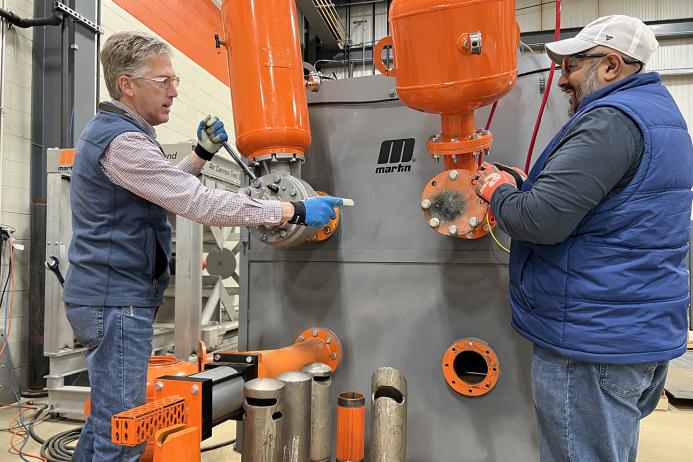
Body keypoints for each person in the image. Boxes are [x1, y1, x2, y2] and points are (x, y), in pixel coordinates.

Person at [63, 31, 342, 461]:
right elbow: (195, 202)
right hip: (115, 302)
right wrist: (291, 212)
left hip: (112, 299)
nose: (175, 90)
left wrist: (201, 153)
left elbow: (167, 187)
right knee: (124, 435)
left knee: (107, 422)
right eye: (163, 81)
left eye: (175, 79)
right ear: (126, 85)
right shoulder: (121, 142)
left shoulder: (121, 135)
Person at [475, 15, 693, 462]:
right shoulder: (659, 114)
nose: (562, 80)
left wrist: (495, 191)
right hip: (633, 330)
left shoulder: (611, 120)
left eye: (572, 67)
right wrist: (524, 181)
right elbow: (609, 204)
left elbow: (539, 221)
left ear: (611, 65)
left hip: (592, 342)